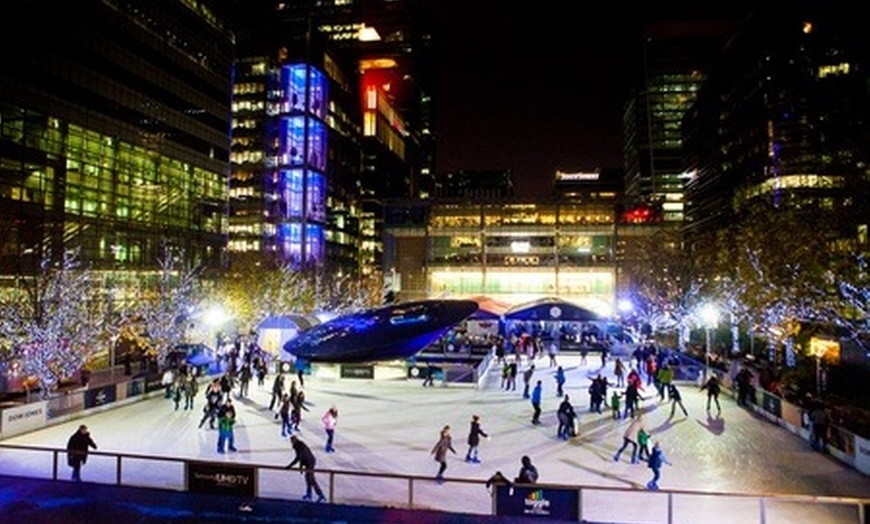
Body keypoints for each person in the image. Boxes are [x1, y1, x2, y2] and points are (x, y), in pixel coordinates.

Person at [285, 435, 326, 502]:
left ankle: (321, 495)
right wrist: (300, 466)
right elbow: (300, 456)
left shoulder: (299, 445)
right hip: (308, 462)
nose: (291, 442)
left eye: (292, 441)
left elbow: (299, 457)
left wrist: (290, 466)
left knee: (311, 479)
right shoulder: (298, 445)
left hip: (310, 462)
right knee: (308, 478)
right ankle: (309, 494)